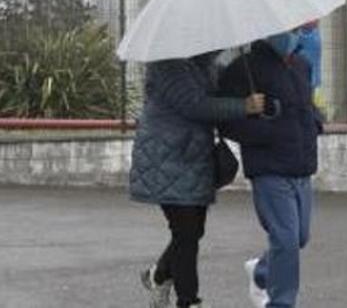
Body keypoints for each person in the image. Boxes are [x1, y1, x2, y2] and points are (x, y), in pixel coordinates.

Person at [130, 52, 266, 308]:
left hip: (195, 157)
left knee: (193, 230)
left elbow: (219, 88)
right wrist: (243, 106)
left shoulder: (205, 65)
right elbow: (195, 105)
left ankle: (159, 275)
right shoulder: (166, 63)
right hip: (165, 158)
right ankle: (188, 301)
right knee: (186, 231)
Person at [218, 32, 321, 308]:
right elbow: (226, 123)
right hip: (269, 168)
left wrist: (315, 121)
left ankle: (262, 271)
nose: (293, 33)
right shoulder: (243, 70)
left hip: (301, 166)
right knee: (285, 240)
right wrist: (260, 126)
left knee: (298, 238)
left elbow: (306, 105)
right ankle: (282, 303)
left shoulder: (301, 65)